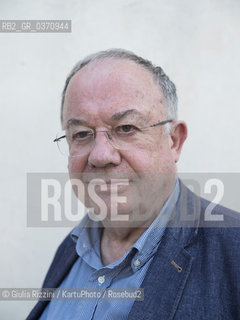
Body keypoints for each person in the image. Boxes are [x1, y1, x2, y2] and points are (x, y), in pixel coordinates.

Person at [27, 49, 240, 320]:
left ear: (174, 141)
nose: (101, 155)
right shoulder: (72, 249)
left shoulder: (233, 252)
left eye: (126, 128)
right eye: (81, 134)